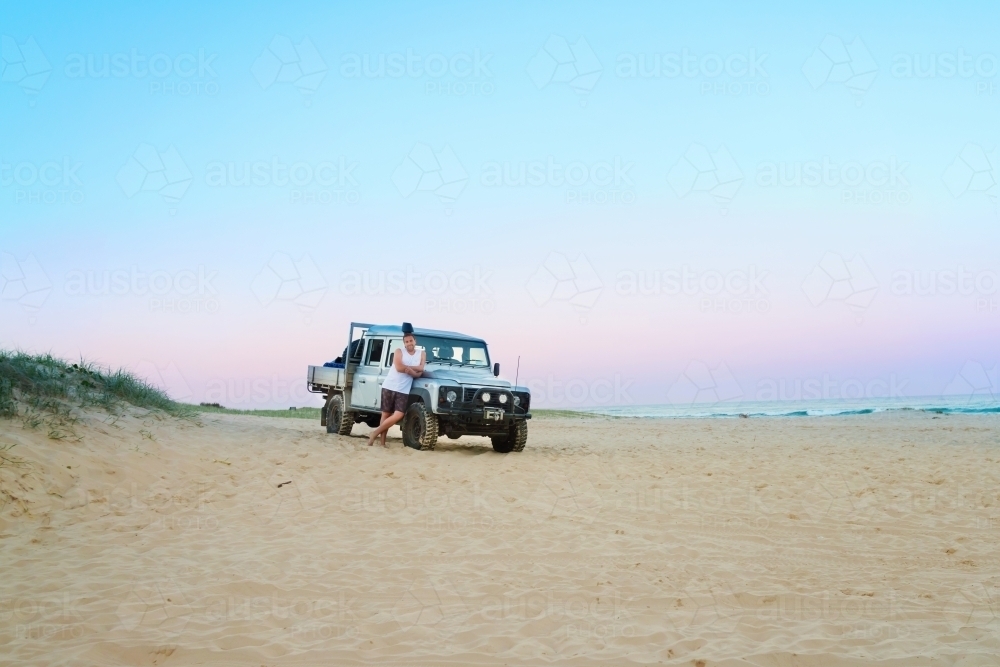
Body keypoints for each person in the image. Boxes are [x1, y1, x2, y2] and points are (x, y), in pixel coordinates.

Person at [367, 331, 425, 447]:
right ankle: (382, 443)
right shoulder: (399, 351)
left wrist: (412, 371)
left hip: (403, 389)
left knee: (399, 414)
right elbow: (398, 367)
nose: (409, 343)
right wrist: (415, 370)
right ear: (404, 343)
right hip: (389, 385)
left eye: (411, 341)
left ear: (415, 341)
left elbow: (421, 369)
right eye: (407, 341)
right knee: (386, 414)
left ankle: (374, 433)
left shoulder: (421, 353)